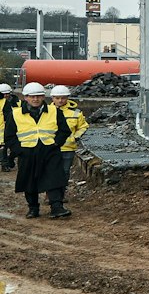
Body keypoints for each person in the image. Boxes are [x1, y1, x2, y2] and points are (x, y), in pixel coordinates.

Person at [3, 82, 73, 218]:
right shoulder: (16, 114)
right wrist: (19, 150)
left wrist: (56, 144)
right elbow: (9, 136)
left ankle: (56, 207)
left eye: (39, 96)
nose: (35, 99)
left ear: (43, 97)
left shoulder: (54, 111)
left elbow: (64, 130)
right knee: (29, 180)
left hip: (49, 150)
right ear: (26, 98)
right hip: (27, 152)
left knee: (54, 178)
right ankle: (33, 208)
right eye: (31, 96)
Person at [48, 85, 86, 215]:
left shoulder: (75, 113)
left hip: (67, 147)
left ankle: (61, 195)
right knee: (50, 172)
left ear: (67, 98)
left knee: (64, 172)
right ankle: (51, 195)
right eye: (57, 98)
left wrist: (75, 137)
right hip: (50, 148)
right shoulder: (46, 111)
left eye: (62, 98)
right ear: (52, 98)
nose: (60, 101)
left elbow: (83, 127)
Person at [0, 83, 14, 172]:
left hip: (4, 129)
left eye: (7, 93)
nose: (6, 95)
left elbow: (8, 115)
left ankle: (5, 164)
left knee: (3, 147)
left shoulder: (5, 102)